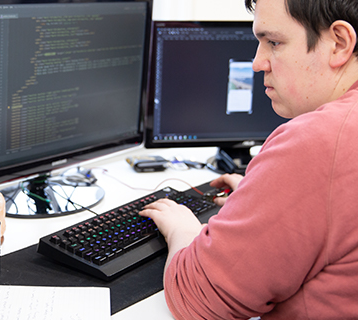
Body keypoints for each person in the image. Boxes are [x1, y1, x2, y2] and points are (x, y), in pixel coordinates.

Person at [140, 0, 358, 318]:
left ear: (339, 43)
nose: (257, 63)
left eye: (274, 42)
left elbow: (199, 301)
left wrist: (183, 230)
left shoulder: (318, 141)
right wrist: (267, 200)